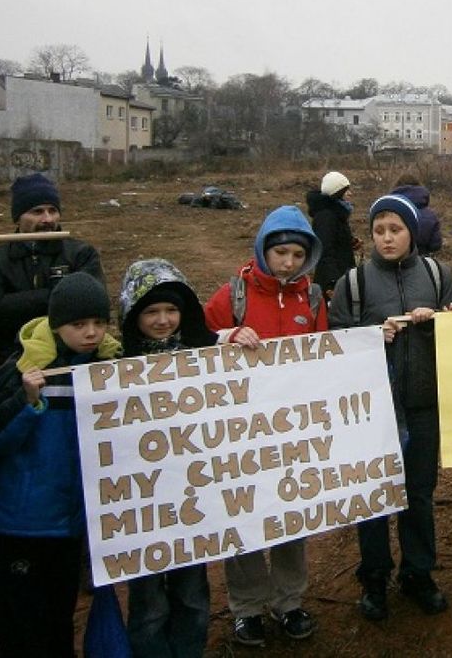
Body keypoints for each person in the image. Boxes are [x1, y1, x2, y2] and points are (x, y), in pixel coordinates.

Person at [120, 259, 261, 658]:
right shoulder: (113, 365)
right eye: (151, 311)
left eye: (171, 310)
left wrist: (234, 337)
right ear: (132, 314)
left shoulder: (204, 353)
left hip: (193, 504)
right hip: (141, 509)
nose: (163, 320)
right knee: (148, 602)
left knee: (192, 594)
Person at [329, 194, 452, 621]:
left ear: (412, 232)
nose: (387, 238)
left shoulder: (438, 275)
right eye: (379, 231)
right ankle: (374, 577)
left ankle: (418, 573)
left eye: (396, 229)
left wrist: (438, 322)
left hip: (423, 406)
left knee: (418, 493)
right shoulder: (353, 284)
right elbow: (335, 341)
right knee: (374, 495)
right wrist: (371, 334)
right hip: (373, 410)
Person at [0, 272, 121, 658]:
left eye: (99, 323)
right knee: (20, 621)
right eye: (79, 324)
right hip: (23, 521)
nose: (91, 333)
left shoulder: (107, 367)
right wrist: (27, 403)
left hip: (70, 521)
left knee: (60, 613)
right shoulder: (23, 370)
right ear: (57, 325)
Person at [204, 205, 328, 646]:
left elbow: (327, 354)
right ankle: (247, 608)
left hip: (294, 429)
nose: (288, 263)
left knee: (291, 515)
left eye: (298, 255)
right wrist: (227, 337)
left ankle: (289, 602)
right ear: (263, 250)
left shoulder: (313, 299)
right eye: (280, 253)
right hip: (241, 430)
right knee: (245, 517)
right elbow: (195, 348)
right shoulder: (232, 296)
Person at [0, 172, 104, 365]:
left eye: (52, 211)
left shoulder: (80, 254)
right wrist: (56, 297)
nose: (47, 219)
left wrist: (17, 302)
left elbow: (90, 302)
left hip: (75, 361)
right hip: (14, 360)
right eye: (37, 212)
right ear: (18, 218)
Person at [306, 170, 359, 296]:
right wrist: (333, 282)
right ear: (337, 193)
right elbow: (324, 251)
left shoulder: (337, 213)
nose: (350, 194)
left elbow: (335, 240)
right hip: (332, 282)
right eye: (346, 191)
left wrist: (350, 242)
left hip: (341, 275)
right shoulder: (326, 217)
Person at [391, 173, 443, 255]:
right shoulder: (430, 215)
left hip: (395, 258)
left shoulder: (389, 214)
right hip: (422, 258)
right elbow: (436, 245)